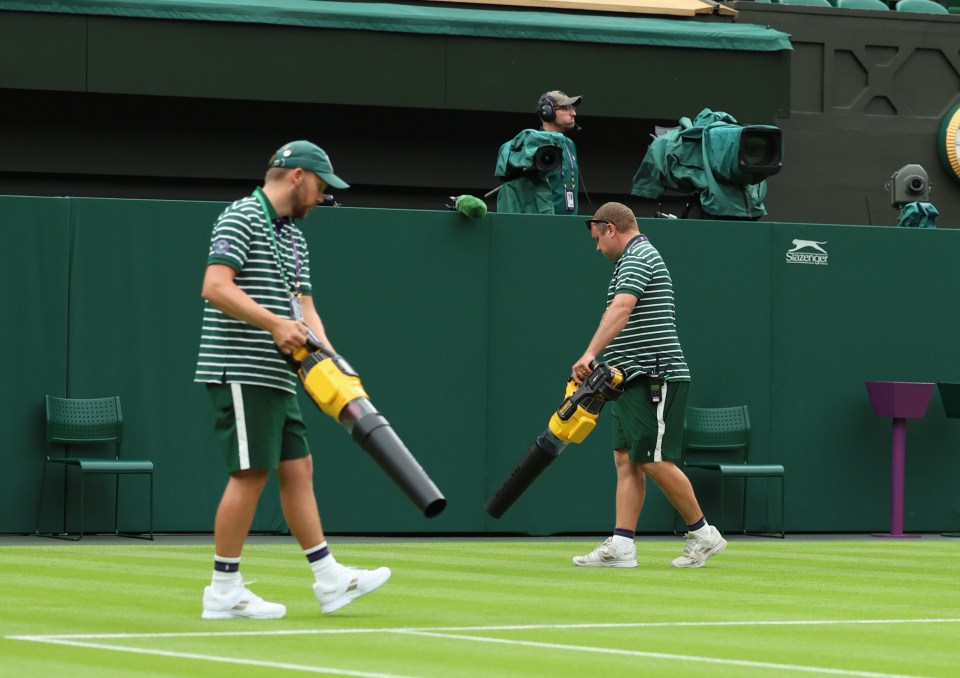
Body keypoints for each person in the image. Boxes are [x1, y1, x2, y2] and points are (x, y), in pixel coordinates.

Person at [194, 140, 391, 619]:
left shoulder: (294, 238)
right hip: (240, 368)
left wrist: (331, 357)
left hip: (280, 376)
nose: (323, 198)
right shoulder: (241, 216)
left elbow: (305, 310)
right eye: (321, 187)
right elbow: (215, 287)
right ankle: (223, 589)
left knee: (298, 470)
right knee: (250, 475)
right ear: (298, 176)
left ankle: (329, 581)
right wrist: (275, 325)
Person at [570, 202, 727, 569]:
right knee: (626, 459)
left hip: (655, 375)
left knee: (651, 458)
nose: (597, 248)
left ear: (610, 228)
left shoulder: (640, 255)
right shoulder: (628, 261)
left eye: (597, 239)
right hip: (630, 378)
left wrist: (590, 353)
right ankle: (622, 545)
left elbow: (623, 308)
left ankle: (703, 532)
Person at [493, 90, 581, 215]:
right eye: (566, 108)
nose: (573, 113)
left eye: (573, 108)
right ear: (547, 112)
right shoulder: (530, 144)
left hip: (569, 222)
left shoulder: (569, 144)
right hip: (544, 223)